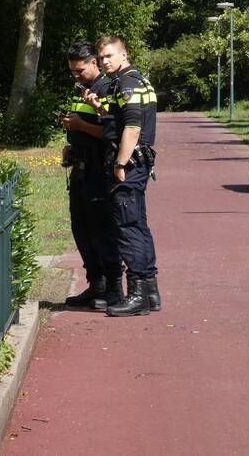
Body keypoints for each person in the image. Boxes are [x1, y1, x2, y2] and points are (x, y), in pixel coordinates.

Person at [84, 35, 160, 317]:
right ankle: (150, 291)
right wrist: (99, 108)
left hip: (129, 165)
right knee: (138, 225)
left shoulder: (126, 84)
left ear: (123, 54)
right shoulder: (134, 80)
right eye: (101, 57)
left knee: (128, 227)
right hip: (138, 164)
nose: (104, 61)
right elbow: (119, 121)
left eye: (108, 56)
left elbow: (131, 128)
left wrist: (119, 164)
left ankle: (138, 293)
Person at [59, 42, 124, 310]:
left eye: (80, 70)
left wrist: (80, 125)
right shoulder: (83, 89)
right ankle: (95, 284)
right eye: (73, 71)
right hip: (80, 167)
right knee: (81, 229)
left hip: (99, 170)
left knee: (101, 230)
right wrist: (71, 146)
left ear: (94, 63)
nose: (76, 75)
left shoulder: (106, 89)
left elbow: (112, 130)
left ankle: (113, 288)